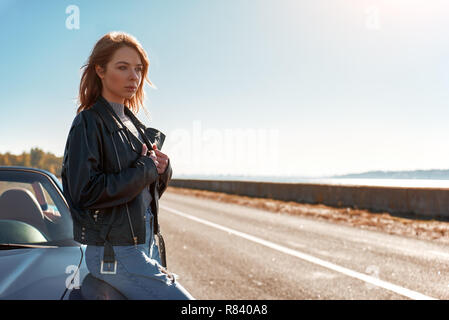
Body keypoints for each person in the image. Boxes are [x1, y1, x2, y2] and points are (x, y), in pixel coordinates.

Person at [61, 31, 194, 300]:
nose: (134, 76)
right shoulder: (89, 122)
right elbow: (84, 192)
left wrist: (162, 169)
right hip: (115, 252)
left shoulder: (136, 125)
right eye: (123, 67)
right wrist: (144, 169)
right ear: (100, 69)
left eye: (138, 69)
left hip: (145, 243)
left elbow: (141, 194)